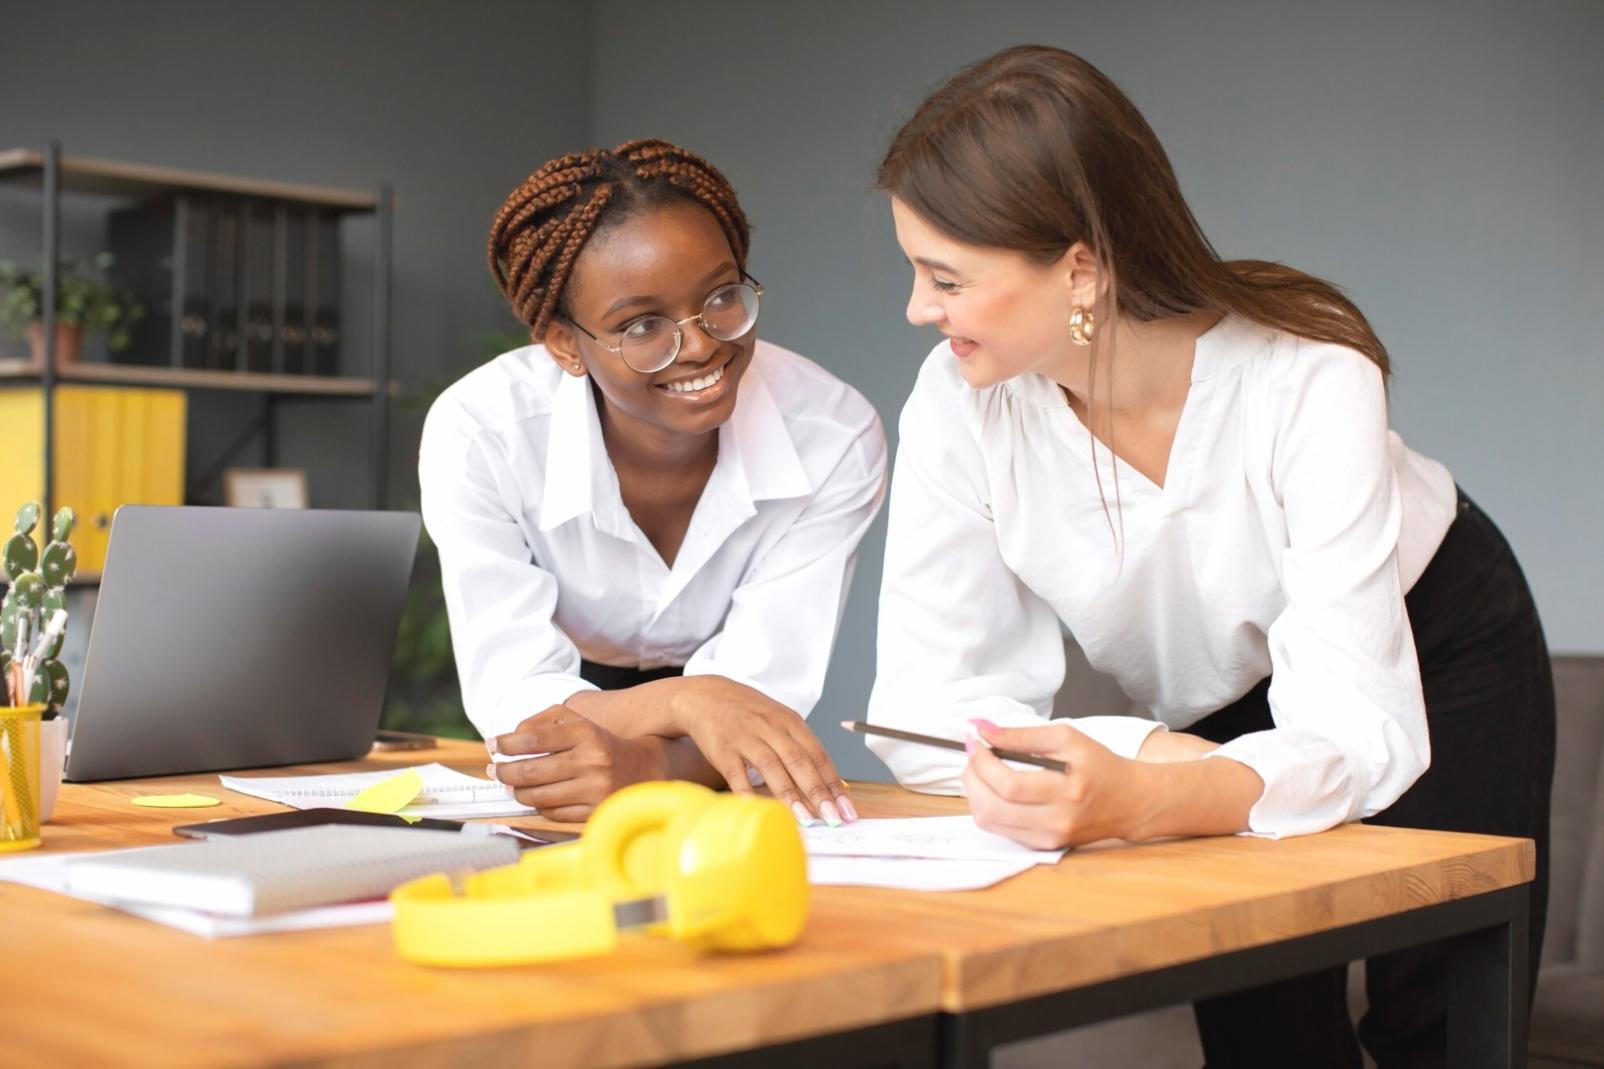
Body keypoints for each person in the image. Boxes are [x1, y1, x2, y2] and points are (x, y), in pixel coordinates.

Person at [865, 45, 1553, 1067]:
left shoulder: (1308, 377)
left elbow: (1352, 727)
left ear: (1081, 268)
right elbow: (922, 708)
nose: (919, 309)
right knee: (1260, 1030)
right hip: (1212, 697)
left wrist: (1151, 789)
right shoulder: (955, 403)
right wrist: (1151, 764)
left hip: (1426, 637)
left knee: (1441, 1018)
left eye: (944, 277)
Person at [420, 139, 886, 826]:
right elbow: (519, 703)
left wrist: (654, 768)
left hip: (717, 766)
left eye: (722, 296)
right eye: (641, 325)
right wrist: (685, 702)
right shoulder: (483, 432)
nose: (700, 345)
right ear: (561, 343)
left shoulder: (832, 434)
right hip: (577, 741)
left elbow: (760, 694)